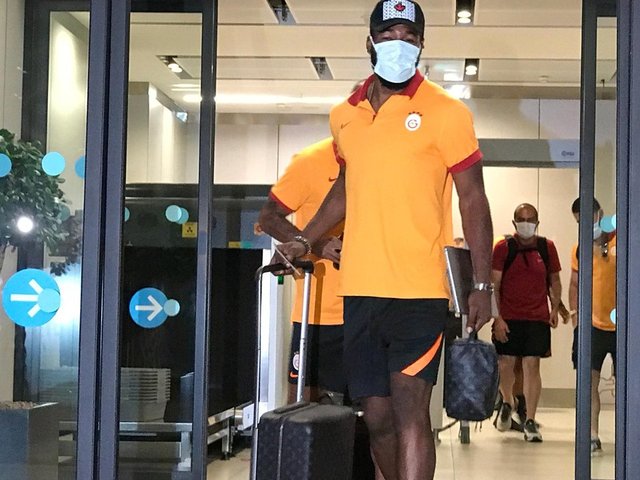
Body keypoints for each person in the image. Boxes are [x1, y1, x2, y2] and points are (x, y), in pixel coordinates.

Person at [277, 1, 494, 478]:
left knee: (411, 411)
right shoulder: (344, 115)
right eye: (390, 34)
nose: (400, 44)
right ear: (370, 42)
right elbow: (345, 187)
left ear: (422, 45)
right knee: (376, 418)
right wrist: (305, 240)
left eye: (410, 37)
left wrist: (482, 285)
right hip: (359, 289)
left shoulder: (447, 112)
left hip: (419, 291)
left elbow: (473, 199)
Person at [491, 203, 563, 442]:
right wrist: (497, 318)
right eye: (521, 219)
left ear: (537, 222)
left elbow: (554, 280)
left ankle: (530, 419)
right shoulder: (503, 248)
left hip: (537, 317)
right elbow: (494, 285)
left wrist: (555, 307)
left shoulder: (546, 247)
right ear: (514, 222)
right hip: (509, 317)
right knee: (506, 364)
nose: (526, 224)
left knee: (532, 366)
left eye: (530, 219)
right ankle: (507, 401)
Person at [569, 197, 616, 455]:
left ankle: (628, 435)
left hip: (622, 326)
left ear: (600, 213)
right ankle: (592, 434)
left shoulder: (623, 239)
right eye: (580, 222)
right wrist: (576, 318)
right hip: (591, 325)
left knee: (627, 385)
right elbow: (574, 284)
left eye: (589, 218)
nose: (586, 224)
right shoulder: (580, 248)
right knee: (588, 382)